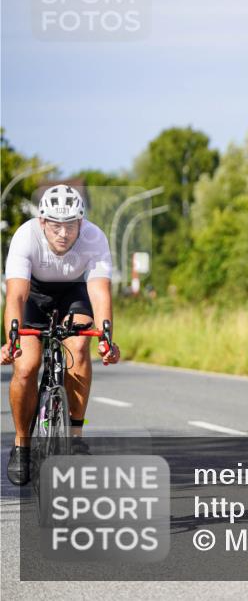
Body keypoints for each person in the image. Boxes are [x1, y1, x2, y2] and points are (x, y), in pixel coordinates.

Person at [2, 184, 121, 485]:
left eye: (70, 225)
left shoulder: (94, 238)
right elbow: (16, 295)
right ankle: (21, 444)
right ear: (42, 222)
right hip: (33, 295)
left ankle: (76, 436)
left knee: (79, 346)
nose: (63, 233)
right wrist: (11, 340)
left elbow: (99, 292)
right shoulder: (25, 237)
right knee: (27, 366)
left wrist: (106, 338)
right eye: (55, 226)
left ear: (81, 222)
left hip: (72, 293)